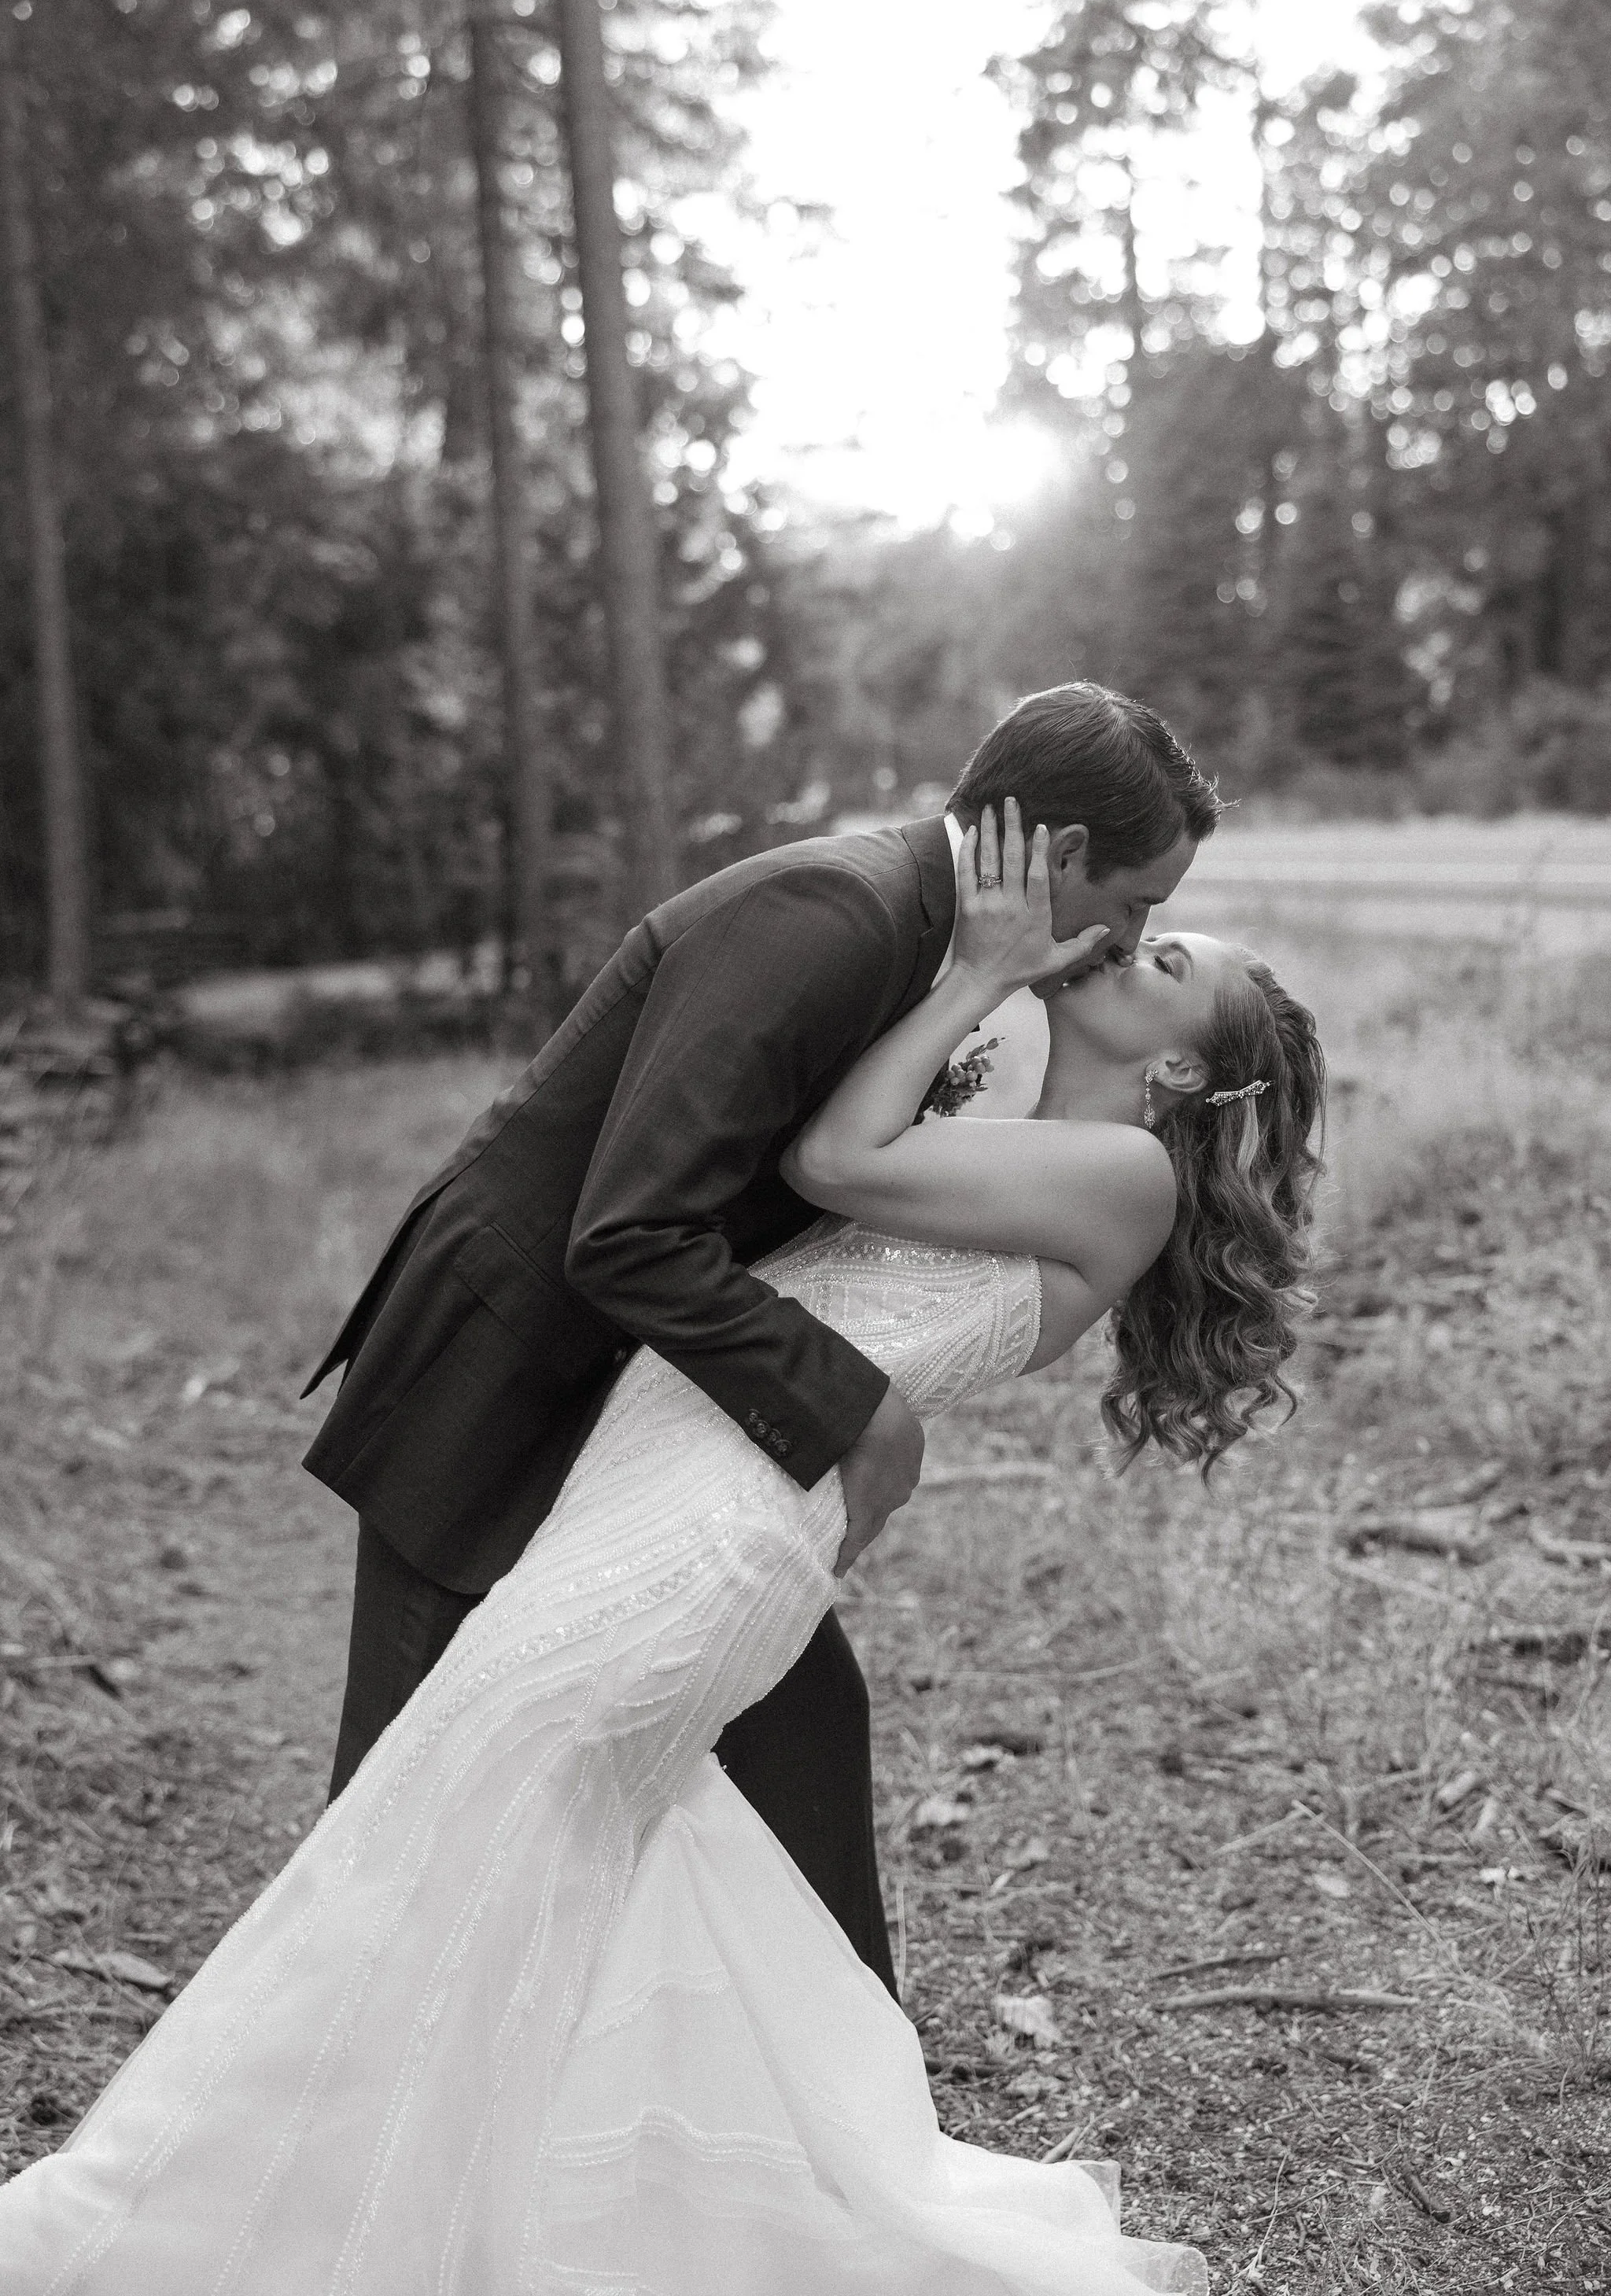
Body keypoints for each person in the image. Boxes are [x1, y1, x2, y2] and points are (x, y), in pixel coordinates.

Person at [0, 798, 1325, 2295]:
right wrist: (983, 979)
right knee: (535, 1816)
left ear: (1184, 1069)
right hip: (674, 1468)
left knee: (468, 1802)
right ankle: (531, 2173)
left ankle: (282, 2210)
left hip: (723, 1521)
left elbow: (830, 1156)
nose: (1128, 947)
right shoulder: (1014, 1112)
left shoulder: (1123, 1177)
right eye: (1145, 924)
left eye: (1167, 962)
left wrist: (974, 970)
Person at [304, 681, 1222, 1991]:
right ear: (1064, 858)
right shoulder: (833, 912)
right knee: (408, 1789)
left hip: (647, 1399)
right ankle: (324, 2117)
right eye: (1138, 903)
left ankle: (838, 2127)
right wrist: (856, 1408)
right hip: (504, 1371)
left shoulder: (915, 934)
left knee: (798, 1722)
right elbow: (626, 1233)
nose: (1133, 936)